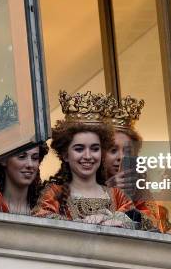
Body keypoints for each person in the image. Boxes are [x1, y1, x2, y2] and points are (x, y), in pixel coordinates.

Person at [32, 91, 135, 228]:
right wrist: (81, 225)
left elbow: (142, 222)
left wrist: (114, 219)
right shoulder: (54, 193)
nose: (88, 156)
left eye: (94, 148)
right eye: (79, 149)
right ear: (65, 155)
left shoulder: (117, 195)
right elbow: (41, 219)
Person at [103, 95, 171, 234]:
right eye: (113, 150)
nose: (121, 157)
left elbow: (153, 229)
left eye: (128, 151)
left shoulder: (140, 189)